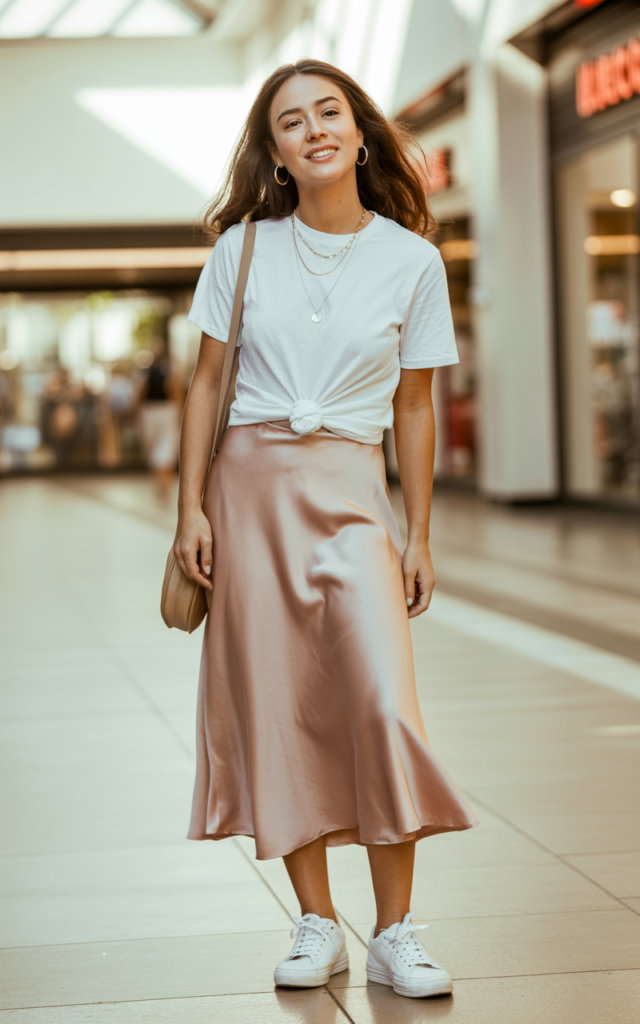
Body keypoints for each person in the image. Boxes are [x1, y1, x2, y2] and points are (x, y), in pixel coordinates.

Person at [173, 58, 478, 1000]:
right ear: (275, 153)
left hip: (351, 490)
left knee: (381, 702)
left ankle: (395, 931)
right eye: (292, 121)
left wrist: (418, 534)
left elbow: (416, 407)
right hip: (251, 495)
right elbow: (206, 384)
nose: (314, 130)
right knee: (280, 707)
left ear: (359, 130)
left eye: (329, 111)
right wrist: (190, 507)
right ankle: (316, 921)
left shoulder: (413, 260)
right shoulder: (243, 250)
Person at [137, 339, 182, 499]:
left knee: (155, 447)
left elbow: (141, 392)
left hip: (149, 411)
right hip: (166, 410)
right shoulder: (169, 369)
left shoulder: (146, 371)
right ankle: (164, 485)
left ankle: (161, 484)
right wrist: (179, 407)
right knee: (166, 448)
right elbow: (174, 388)